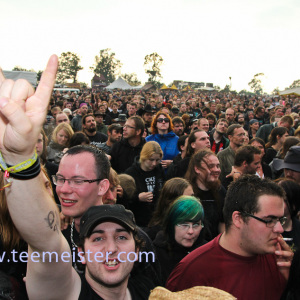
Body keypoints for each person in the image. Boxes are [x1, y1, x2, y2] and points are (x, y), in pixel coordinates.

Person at [0, 55, 157, 299]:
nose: (62, 189)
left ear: (137, 250)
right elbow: (43, 242)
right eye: (60, 179)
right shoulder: (60, 250)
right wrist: (19, 158)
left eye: (77, 181)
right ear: (81, 253)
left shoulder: (144, 270)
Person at [166, 175, 293, 299]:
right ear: (238, 219)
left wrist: (293, 283)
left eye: (280, 220)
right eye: (269, 220)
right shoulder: (193, 271)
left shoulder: (280, 261)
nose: (280, 229)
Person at [153, 196, 206, 284]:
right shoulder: (155, 254)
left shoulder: (206, 252)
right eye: (184, 225)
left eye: (196, 224)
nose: (191, 231)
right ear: (171, 225)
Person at [185, 149, 226, 239]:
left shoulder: (220, 190)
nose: (216, 170)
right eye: (211, 166)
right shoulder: (187, 192)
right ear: (197, 169)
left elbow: (222, 221)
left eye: (218, 166)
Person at [124, 141, 165, 227]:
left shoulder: (159, 170)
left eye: (157, 160)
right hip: (138, 219)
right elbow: (124, 198)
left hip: (156, 217)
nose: (154, 163)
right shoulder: (131, 173)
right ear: (144, 157)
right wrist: (138, 197)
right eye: (151, 160)